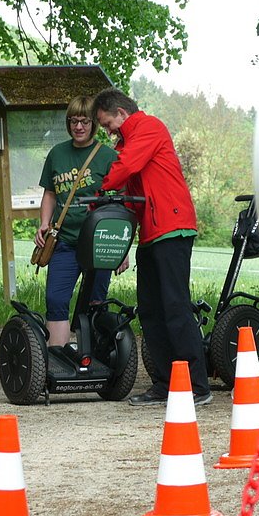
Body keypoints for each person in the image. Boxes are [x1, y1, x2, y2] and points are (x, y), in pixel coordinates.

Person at [92, 87, 212, 406]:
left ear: (121, 113)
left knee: (175, 306)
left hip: (173, 227)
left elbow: (126, 168)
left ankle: (197, 385)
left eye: (107, 124)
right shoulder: (127, 144)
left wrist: (100, 190)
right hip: (151, 233)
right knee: (149, 310)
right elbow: (131, 203)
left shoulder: (148, 128)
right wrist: (121, 245)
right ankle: (166, 383)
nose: (107, 131)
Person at [34, 95, 122, 347]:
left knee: (95, 303)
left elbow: (118, 203)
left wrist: (120, 248)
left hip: (98, 244)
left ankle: (94, 359)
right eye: (73, 121)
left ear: (94, 123)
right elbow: (50, 193)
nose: (79, 126)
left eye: (84, 121)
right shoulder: (57, 154)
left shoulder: (107, 156)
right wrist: (44, 222)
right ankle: (58, 360)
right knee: (56, 300)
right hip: (64, 241)